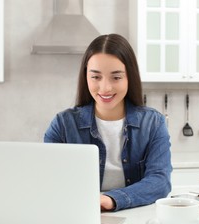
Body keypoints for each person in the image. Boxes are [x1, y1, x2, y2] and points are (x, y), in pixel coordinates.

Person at [44, 34, 172, 211]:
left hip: (135, 216)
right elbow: (50, 180)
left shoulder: (153, 123)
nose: (105, 88)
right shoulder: (62, 124)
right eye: (96, 77)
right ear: (86, 77)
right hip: (78, 213)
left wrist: (111, 199)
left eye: (116, 77)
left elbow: (160, 181)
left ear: (130, 77)